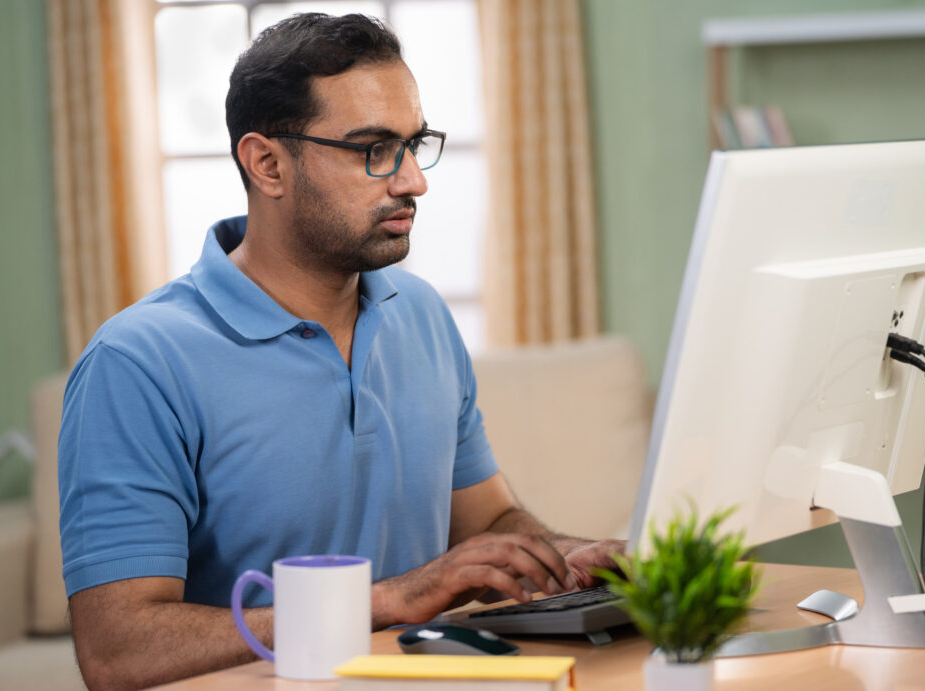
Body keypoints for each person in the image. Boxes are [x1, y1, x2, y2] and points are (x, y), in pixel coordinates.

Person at [58, 13, 624, 690]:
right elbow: (117, 651)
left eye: (414, 144)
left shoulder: (421, 316)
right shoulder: (137, 362)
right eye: (374, 149)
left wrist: (568, 557)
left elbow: (488, 520)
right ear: (266, 163)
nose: (414, 180)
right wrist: (387, 599)